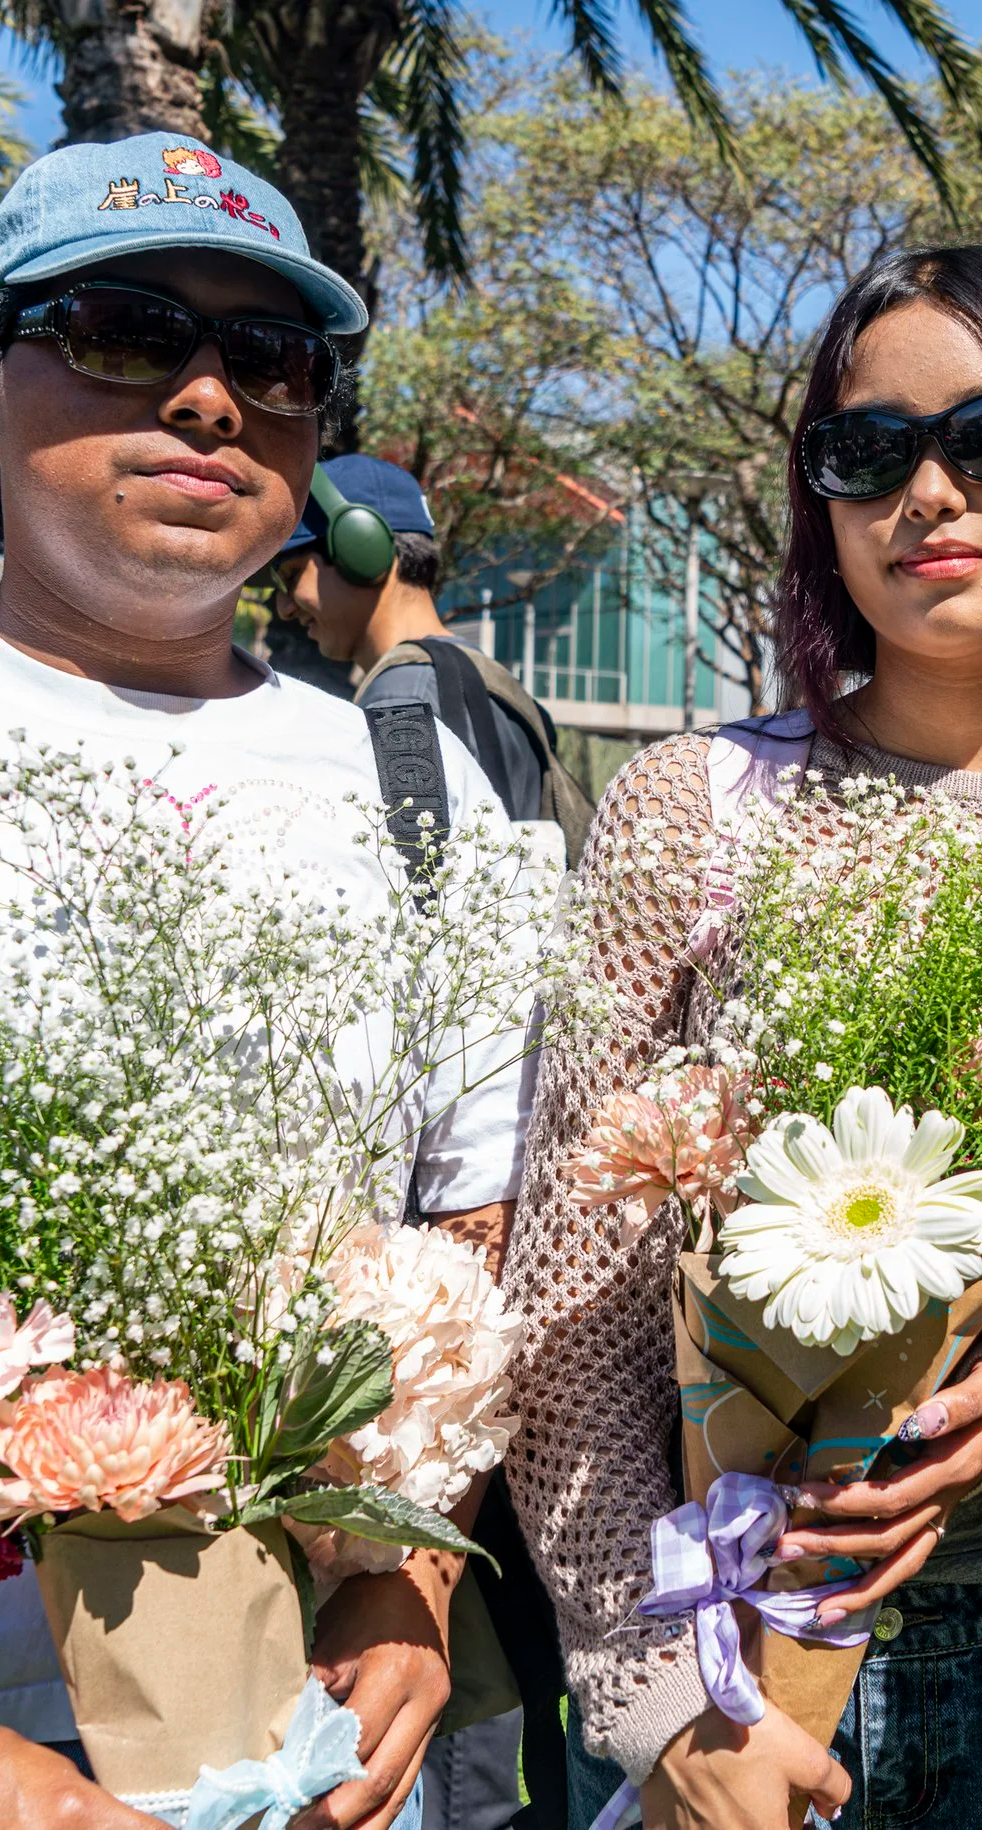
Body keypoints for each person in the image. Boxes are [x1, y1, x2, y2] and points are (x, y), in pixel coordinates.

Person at [502, 243, 982, 1830]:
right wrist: (660, 1700)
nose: (930, 492)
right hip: (720, 1643)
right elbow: (571, 1299)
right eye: (866, 451)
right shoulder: (691, 810)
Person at [0, 135, 537, 1830]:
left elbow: (471, 1216)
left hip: (321, 1734)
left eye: (273, 356)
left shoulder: (412, 787)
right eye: (123, 331)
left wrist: (406, 1582)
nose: (210, 396)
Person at [271, 454, 594, 867]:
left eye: (293, 575)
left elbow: (411, 885)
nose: (283, 607)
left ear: (360, 549)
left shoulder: (404, 697)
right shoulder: (479, 674)